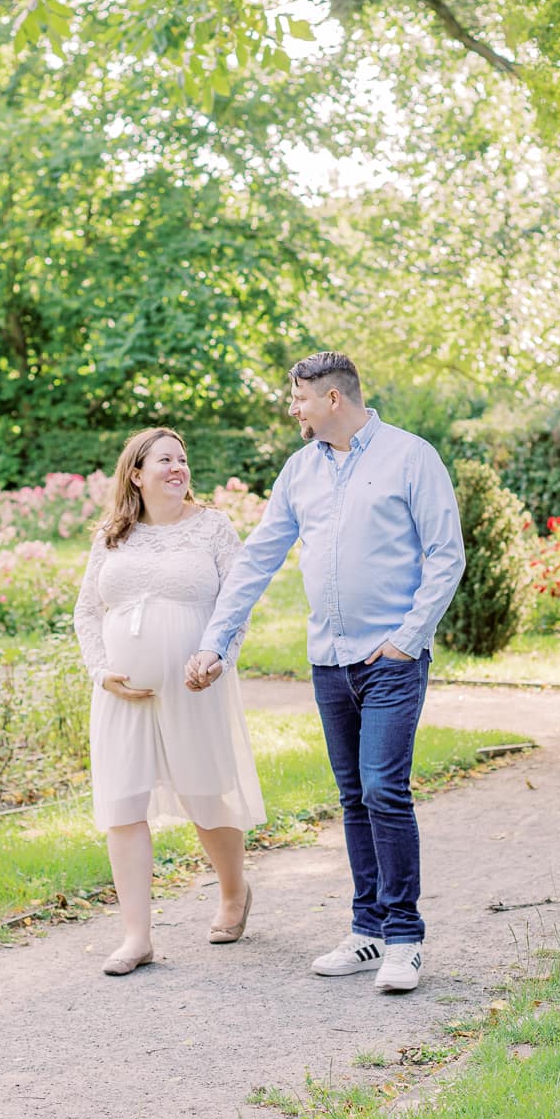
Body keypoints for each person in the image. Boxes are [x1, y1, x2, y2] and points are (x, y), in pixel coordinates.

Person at [186, 352, 465, 994]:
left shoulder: (410, 456)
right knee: (352, 798)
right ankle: (367, 932)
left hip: (390, 661)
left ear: (333, 399)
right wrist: (215, 641)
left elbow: (446, 556)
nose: (294, 409)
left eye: (300, 399)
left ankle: (404, 939)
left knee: (383, 790)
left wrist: (406, 640)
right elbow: (257, 560)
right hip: (328, 661)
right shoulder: (300, 471)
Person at [74, 427, 265, 976]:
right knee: (123, 804)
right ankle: (137, 937)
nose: (178, 468)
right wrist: (100, 670)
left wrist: (216, 656)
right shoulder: (113, 534)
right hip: (121, 692)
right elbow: (87, 610)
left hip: (194, 682)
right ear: (136, 473)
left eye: (183, 459)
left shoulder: (212, 528)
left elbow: (239, 601)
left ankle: (233, 892)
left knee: (206, 795)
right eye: (165, 460)